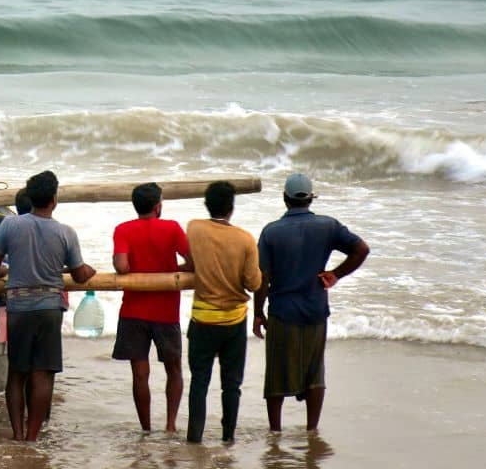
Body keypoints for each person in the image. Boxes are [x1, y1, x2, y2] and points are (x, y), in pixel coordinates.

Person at [253, 173, 370, 432]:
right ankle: (311, 429)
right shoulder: (328, 226)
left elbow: (263, 276)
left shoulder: (271, 232)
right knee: (314, 373)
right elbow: (362, 249)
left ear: (285, 199)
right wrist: (336, 274)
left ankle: (275, 430)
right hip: (316, 309)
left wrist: (258, 312)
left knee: (276, 374)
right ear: (310, 199)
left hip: (282, 312)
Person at [0, 170, 96, 441]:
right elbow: (80, 274)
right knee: (43, 374)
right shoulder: (65, 232)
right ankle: (33, 438)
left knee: (17, 374)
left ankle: (17, 434)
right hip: (49, 308)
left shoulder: (10, 225)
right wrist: (90, 271)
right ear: (54, 199)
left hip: (18, 306)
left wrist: (4, 273)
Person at [111, 182, 192, 433]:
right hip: (166, 310)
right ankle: (170, 425)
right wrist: (171, 271)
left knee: (139, 374)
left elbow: (122, 267)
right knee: (174, 368)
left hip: (133, 310)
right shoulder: (171, 228)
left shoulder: (123, 229)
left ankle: (146, 428)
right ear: (158, 206)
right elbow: (193, 262)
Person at [185, 181, 261, 444]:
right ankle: (228, 437)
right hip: (234, 321)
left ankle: (194, 438)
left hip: (203, 319)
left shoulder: (194, 228)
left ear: (207, 205)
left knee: (199, 383)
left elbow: (192, 261)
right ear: (232, 207)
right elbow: (254, 283)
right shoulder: (245, 239)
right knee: (231, 385)